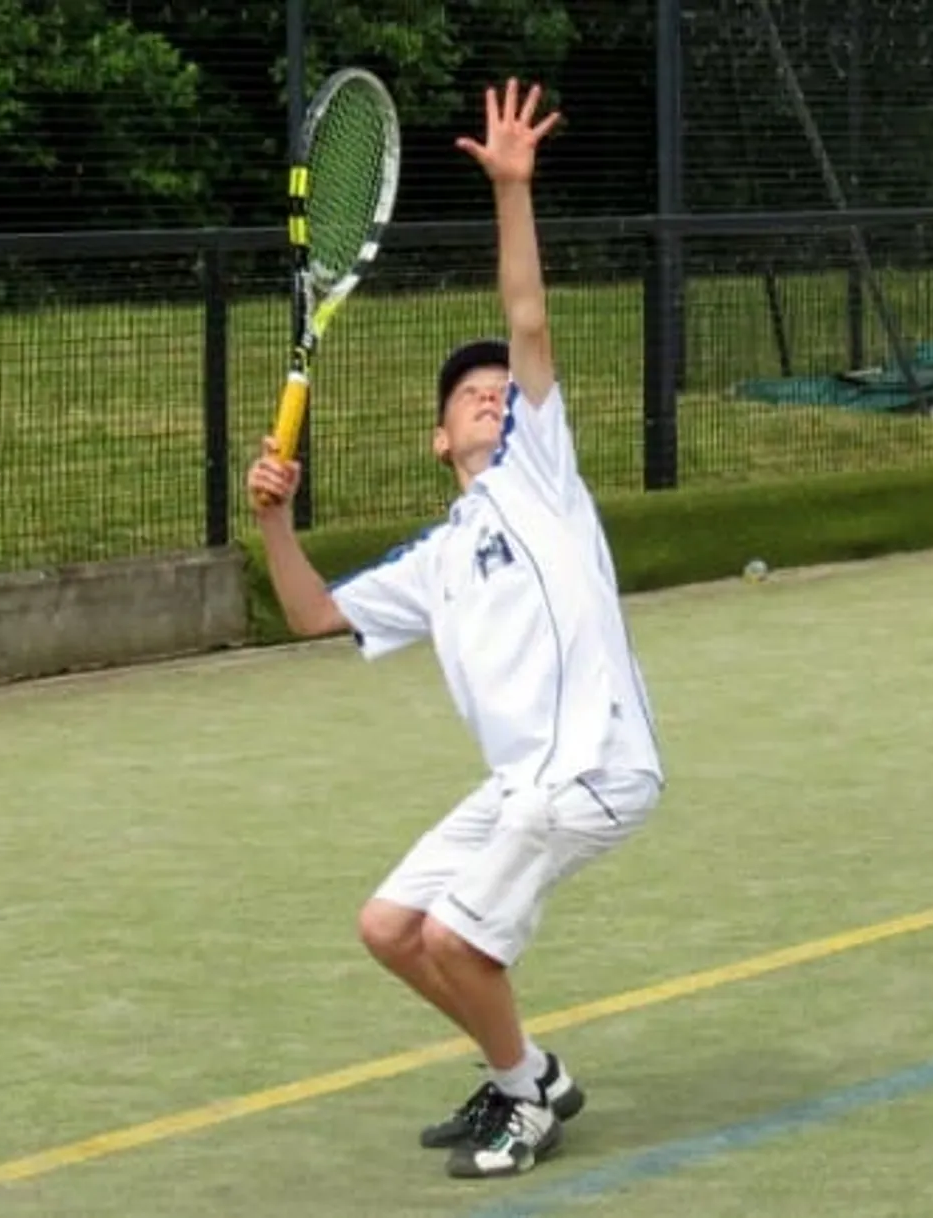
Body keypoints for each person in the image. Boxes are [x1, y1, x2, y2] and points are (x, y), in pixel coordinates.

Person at [244, 78, 665, 1181]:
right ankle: (529, 1072)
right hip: (519, 778)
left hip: (592, 764)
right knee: (391, 926)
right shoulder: (436, 561)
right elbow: (308, 613)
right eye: (468, 393)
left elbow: (525, 317)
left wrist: (512, 190)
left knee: (455, 940)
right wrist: (276, 523)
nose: (489, 394)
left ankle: (524, 1101)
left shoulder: (541, 471)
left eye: (499, 389)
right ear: (437, 440)